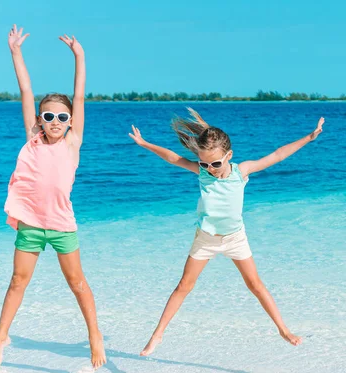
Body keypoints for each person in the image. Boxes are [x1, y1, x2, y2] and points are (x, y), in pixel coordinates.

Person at [129, 108, 324, 356]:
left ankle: (283, 329)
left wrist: (309, 137)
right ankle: (157, 335)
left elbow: (277, 155)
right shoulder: (201, 172)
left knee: (255, 285)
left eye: (216, 163)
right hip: (206, 239)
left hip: (235, 238)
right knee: (184, 286)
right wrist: (144, 143)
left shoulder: (241, 171)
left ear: (229, 155)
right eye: (204, 163)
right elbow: (172, 157)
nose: (210, 168)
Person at [0, 24, 106, 369]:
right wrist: (15, 51)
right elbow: (26, 90)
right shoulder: (33, 137)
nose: (55, 121)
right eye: (49, 115)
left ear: (70, 121)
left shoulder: (73, 142)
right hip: (30, 223)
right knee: (17, 282)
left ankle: (94, 337)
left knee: (77, 283)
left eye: (62, 116)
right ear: (40, 119)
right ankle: (0, 339)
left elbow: (80, 94)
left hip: (61, 225)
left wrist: (79, 56)